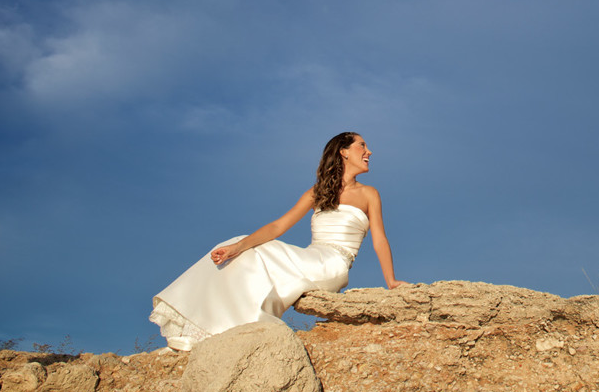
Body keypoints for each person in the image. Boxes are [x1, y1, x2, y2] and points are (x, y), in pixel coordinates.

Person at [149, 131, 407, 350]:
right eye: (362, 145)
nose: (369, 151)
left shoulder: (369, 193)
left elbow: (380, 240)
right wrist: (238, 246)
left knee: (253, 252)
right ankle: (223, 326)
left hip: (334, 264)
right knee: (239, 251)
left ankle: (247, 327)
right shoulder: (317, 192)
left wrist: (391, 281)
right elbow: (278, 226)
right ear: (343, 152)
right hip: (310, 257)